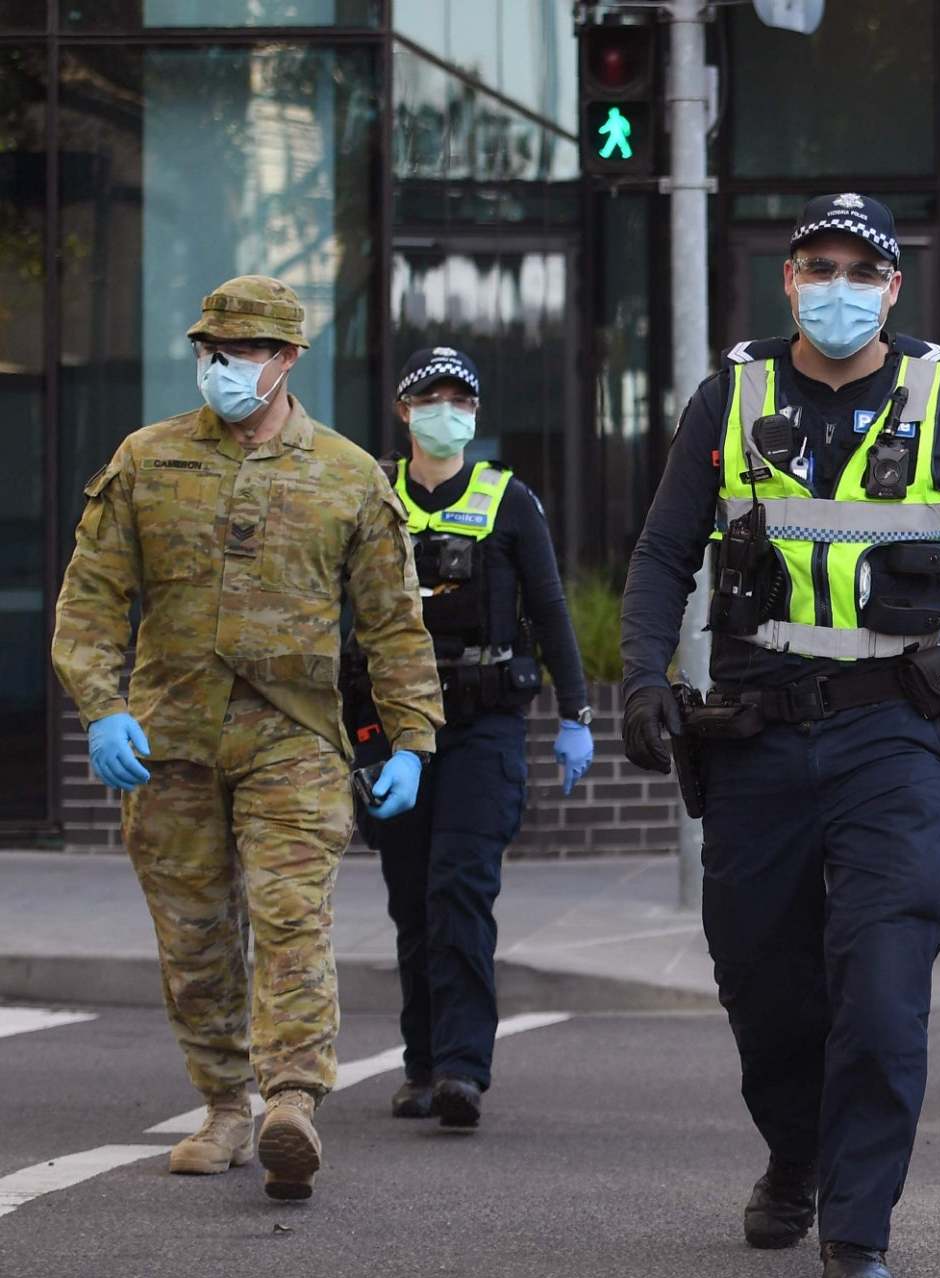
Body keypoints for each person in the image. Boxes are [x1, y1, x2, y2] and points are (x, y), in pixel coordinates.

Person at [618, 193, 940, 1278]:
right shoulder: (730, 395)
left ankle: (857, 1226)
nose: (836, 284)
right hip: (753, 729)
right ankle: (794, 1151)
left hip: (892, 731)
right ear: (789, 281)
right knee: (763, 978)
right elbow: (662, 552)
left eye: (860, 267)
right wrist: (643, 674)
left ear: (892, 288)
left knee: (884, 984)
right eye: (817, 265)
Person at [50, 275, 440, 1202]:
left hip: (295, 738)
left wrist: (413, 740)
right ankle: (224, 1102)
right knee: (194, 937)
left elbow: (392, 623)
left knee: (289, 915)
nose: (224, 367)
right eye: (213, 351)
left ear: (288, 359)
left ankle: (291, 1099)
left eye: (246, 352)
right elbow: (91, 599)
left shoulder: (348, 475)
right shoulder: (146, 462)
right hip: (168, 736)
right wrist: (101, 705)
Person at [356, 347, 596, 1132]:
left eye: (460, 397)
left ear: (476, 415)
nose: (445, 408)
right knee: (411, 897)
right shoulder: (371, 497)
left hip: (483, 725)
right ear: (403, 411)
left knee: (461, 886)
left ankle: (461, 1067)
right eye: (430, 395)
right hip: (395, 728)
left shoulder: (507, 500)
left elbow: (552, 609)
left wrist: (575, 714)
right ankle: (419, 1061)